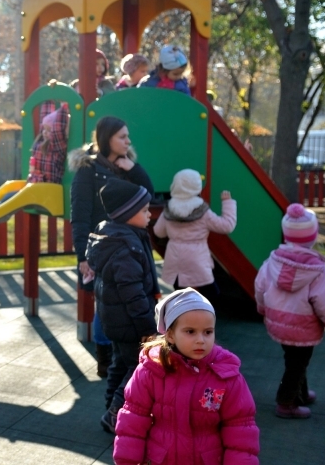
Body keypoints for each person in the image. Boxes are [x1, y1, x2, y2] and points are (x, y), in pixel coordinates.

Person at [113, 288, 260, 464]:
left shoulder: (226, 375)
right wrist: (127, 460)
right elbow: (133, 419)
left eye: (208, 332)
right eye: (190, 331)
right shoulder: (151, 370)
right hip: (161, 459)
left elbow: (240, 428)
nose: (201, 340)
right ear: (170, 335)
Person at [68, 117, 155, 379]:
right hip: (102, 247)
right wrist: (83, 254)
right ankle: (105, 356)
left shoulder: (124, 167)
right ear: (107, 139)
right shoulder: (88, 170)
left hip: (128, 244)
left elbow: (146, 195)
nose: (128, 141)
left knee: (124, 296)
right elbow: (80, 215)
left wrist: (134, 168)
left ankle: (119, 353)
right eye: (122, 137)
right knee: (105, 300)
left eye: (128, 136)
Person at [86, 179, 159, 434]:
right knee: (137, 367)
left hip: (115, 320)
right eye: (144, 211)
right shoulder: (124, 246)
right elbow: (133, 294)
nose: (149, 215)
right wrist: (148, 329)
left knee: (119, 363)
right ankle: (114, 412)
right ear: (128, 215)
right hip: (129, 321)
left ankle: (110, 404)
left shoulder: (119, 236)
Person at [254, 204, 325, 419]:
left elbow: (260, 287)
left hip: (278, 322)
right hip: (305, 327)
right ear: (313, 237)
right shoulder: (318, 272)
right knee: (297, 363)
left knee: (294, 359)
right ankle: (286, 403)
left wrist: (262, 308)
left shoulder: (272, 262)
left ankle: (301, 393)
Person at [153, 169, 237, 303]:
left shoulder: (169, 209)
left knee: (181, 296)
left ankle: (184, 318)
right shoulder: (202, 211)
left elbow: (159, 232)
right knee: (210, 293)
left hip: (175, 259)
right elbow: (226, 225)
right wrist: (227, 203)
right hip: (197, 259)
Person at [26, 101, 70, 184]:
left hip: (49, 190)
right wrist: (49, 98)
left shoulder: (57, 148)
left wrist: (64, 108)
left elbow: (58, 129)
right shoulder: (40, 142)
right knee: (8, 195)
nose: (45, 132)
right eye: (44, 129)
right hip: (35, 186)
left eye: (49, 130)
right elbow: (44, 117)